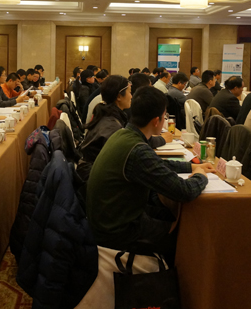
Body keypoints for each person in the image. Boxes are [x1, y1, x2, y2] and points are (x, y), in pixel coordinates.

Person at [86, 86, 214, 262]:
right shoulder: (137, 150)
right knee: (190, 236)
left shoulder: (123, 135)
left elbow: (156, 165)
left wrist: (191, 167)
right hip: (118, 233)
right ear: (156, 121)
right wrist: (201, 176)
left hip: (110, 221)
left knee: (171, 215)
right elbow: (184, 191)